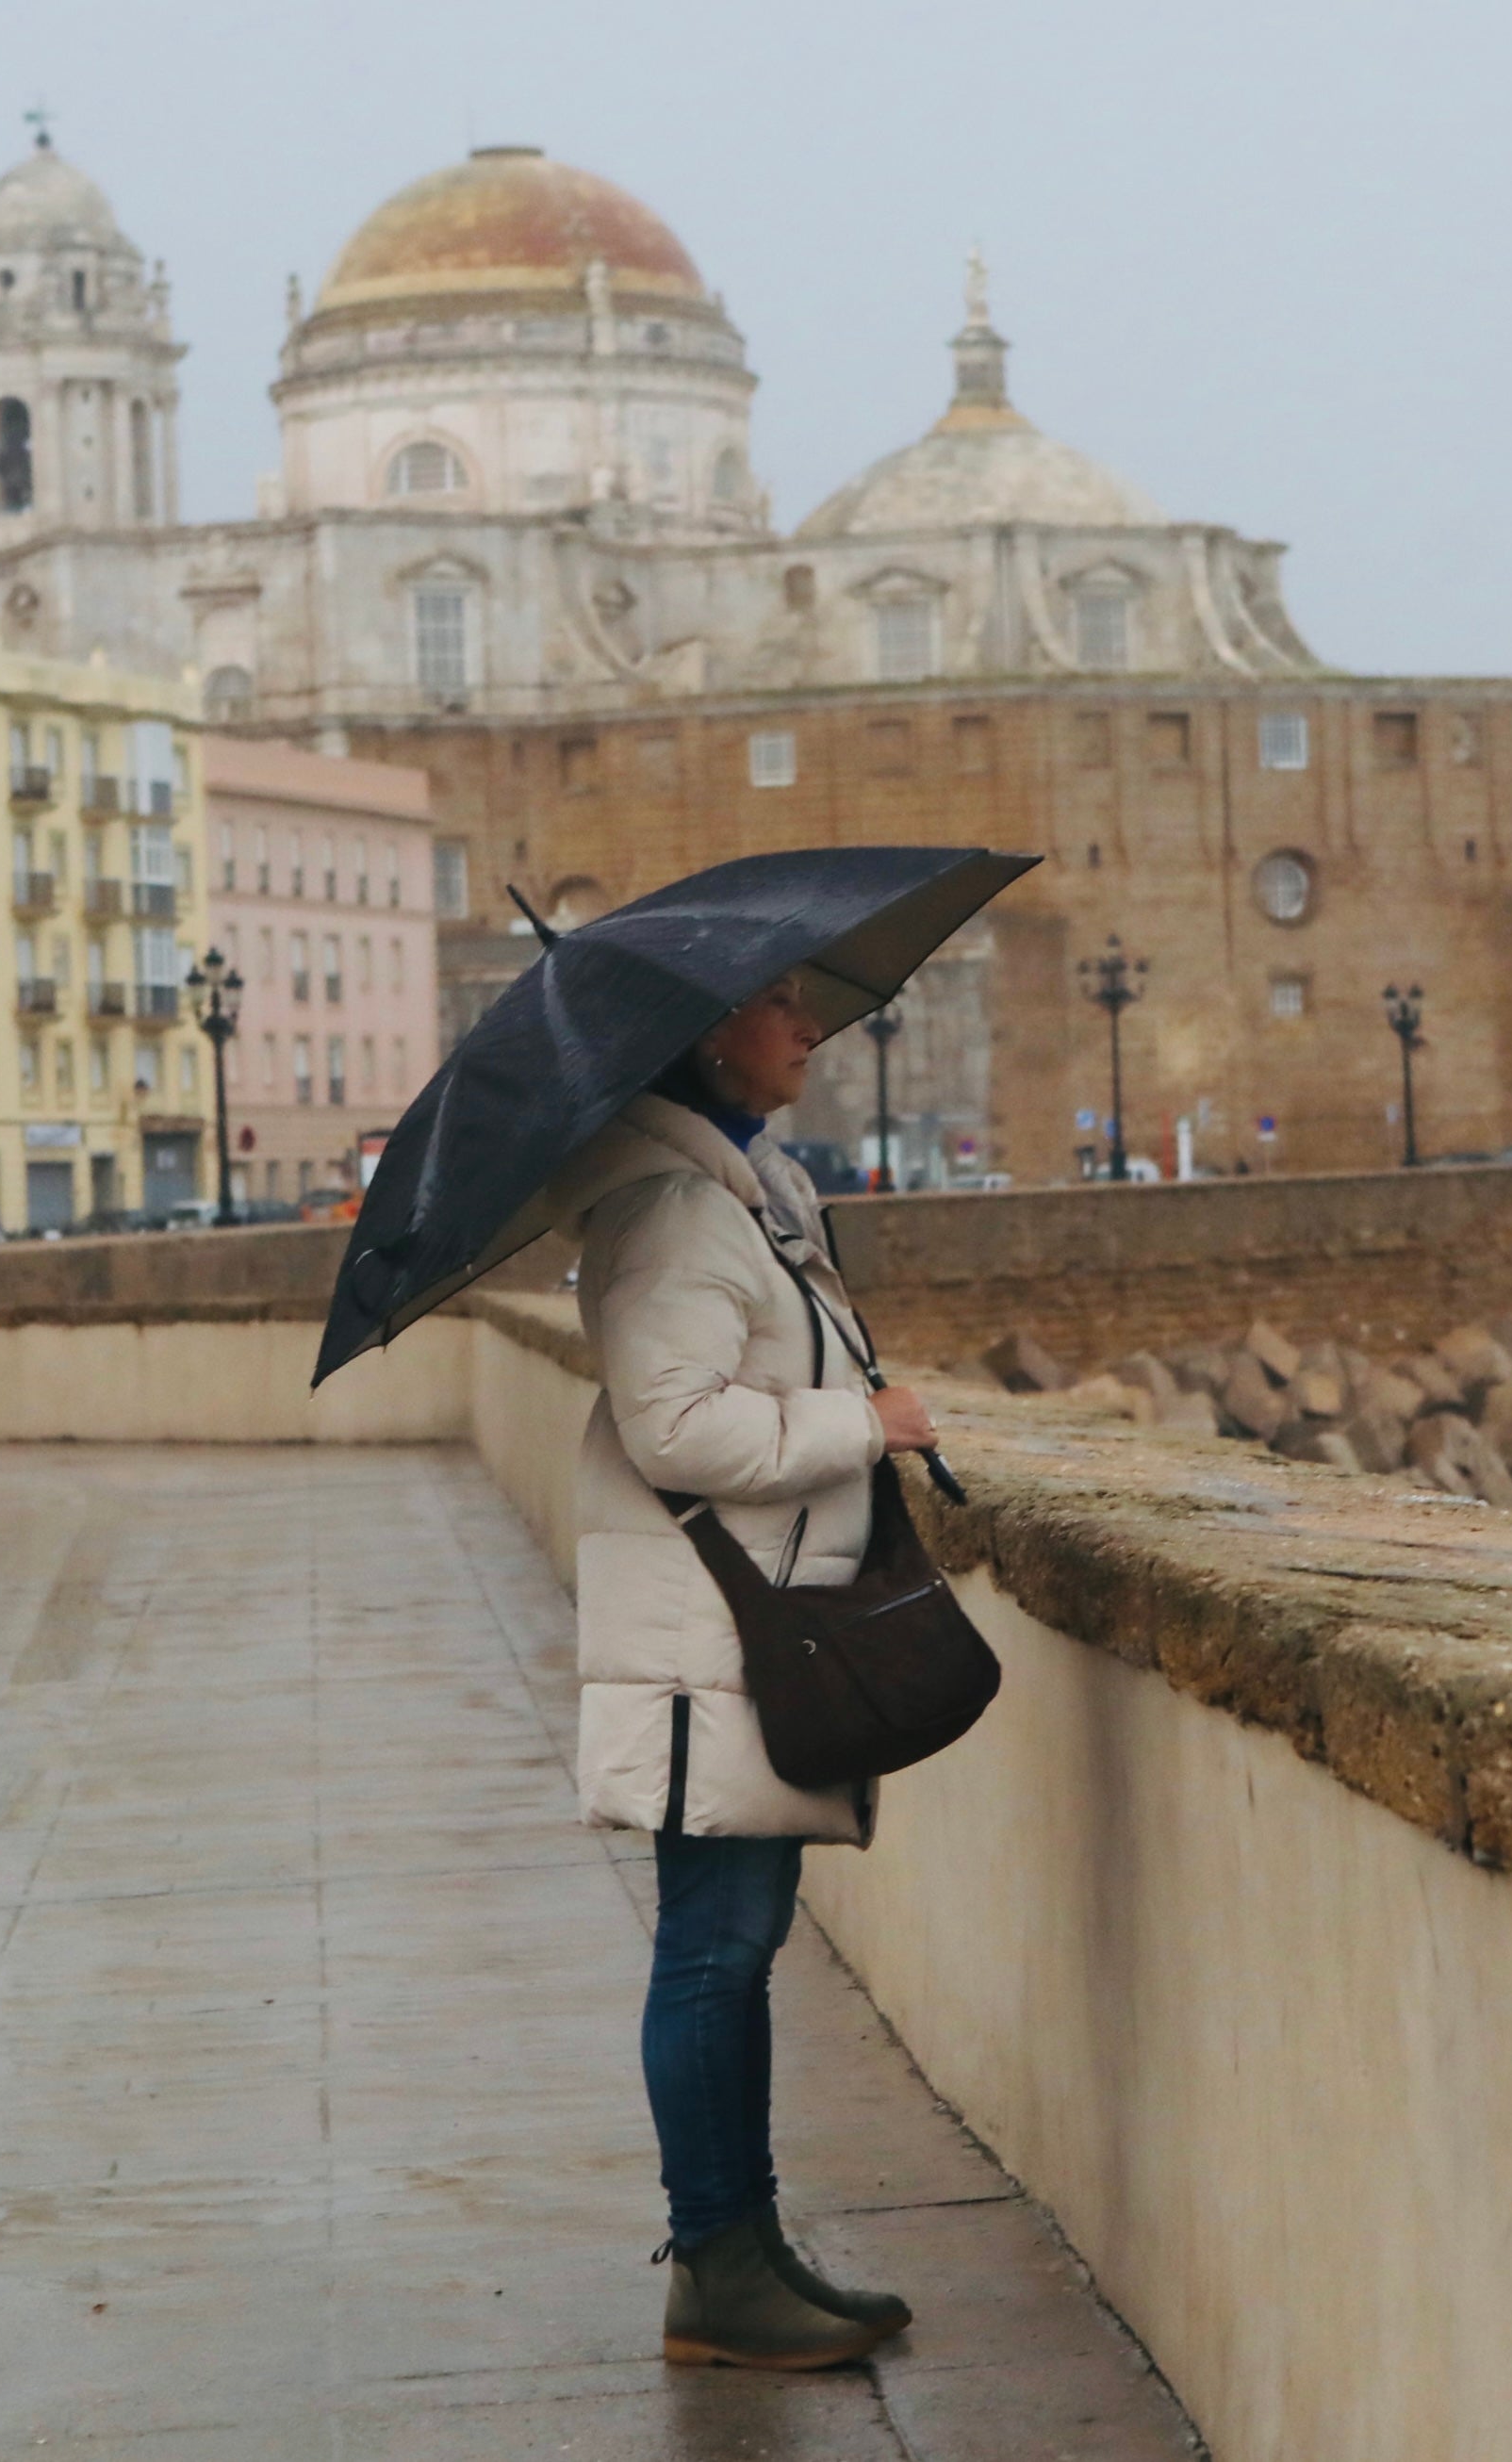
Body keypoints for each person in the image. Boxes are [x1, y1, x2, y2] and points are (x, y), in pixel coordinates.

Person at [541, 968, 936, 2371]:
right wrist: (859, 1424)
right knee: (713, 1954)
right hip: (715, 1645)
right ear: (713, 1027)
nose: (811, 1027)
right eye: (783, 1005)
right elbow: (678, 1433)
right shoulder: (674, 1209)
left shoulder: (738, 1196)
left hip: (744, 1636)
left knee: (735, 1948)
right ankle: (715, 2262)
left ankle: (744, 2249)